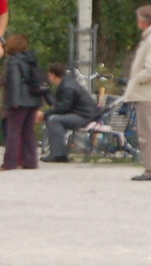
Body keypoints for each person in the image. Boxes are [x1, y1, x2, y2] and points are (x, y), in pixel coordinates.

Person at [120, 5, 151, 181]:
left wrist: (136, 80)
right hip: (147, 92)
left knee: (148, 133)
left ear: (143, 21)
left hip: (147, 93)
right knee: (148, 132)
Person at [3, 33, 49, 170]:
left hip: (19, 101)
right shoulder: (31, 59)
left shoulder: (12, 61)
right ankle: (30, 162)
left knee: (14, 131)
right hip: (34, 99)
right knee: (29, 131)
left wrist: (14, 101)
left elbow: (15, 81)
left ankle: (10, 163)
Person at [41, 63, 101, 163]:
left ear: (53, 75)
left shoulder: (67, 87)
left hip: (84, 116)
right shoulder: (67, 83)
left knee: (54, 120)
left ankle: (58, 154)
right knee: (54, 118)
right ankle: (58, 153)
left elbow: (64, 107)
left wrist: (44, 115)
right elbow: (61, 106)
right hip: (84, 114)